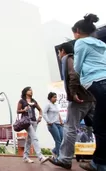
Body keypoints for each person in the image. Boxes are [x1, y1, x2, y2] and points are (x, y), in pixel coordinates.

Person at [48, 41, 95, 170]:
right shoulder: (83, 58)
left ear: (62, 51)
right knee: (98, 129)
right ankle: (100, 161)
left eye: (58, 52)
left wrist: (73, 93)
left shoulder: (67, 58)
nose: (58, 55)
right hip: (91, 97)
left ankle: (65, 159)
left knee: (69, 128)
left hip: (79, 99)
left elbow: (73, 74)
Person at [71, 13, 106, 171]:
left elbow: (77, 68)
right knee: (101, 123)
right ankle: (99, 163)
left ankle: (99, 163)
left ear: (78, 31)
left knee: (100, 125)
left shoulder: (80, 43)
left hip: (97, 82)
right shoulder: (101, 44)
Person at [17, 87, 49, 164]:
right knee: (34, 138)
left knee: (29, 139)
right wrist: (24, 110)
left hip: (34, 122)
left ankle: (25, 157)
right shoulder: (22, 101)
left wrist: (40, 116)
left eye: (31, 90)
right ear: (25, 92)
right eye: (29, 90)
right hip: (27, 122)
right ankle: (40, 157)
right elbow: (17, 111)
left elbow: (40, 110)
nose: (31, 91)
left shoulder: (33, 101)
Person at [43, 92, 63, 159]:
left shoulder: (55, 105)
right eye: (54, 97)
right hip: (52, 124)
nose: (55, 98)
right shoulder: (48, 105)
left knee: (62, 139)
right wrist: (48, 121)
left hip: (59, 124)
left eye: (56, 97)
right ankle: (58, 157)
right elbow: (44, 113)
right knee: (58, 140)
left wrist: (61, 121)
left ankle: (54, 151)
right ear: (50, 98)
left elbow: (58, 114)